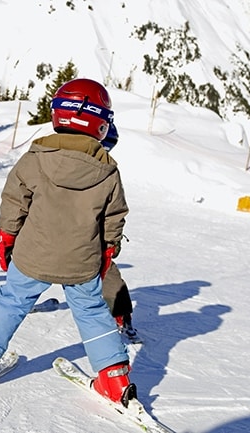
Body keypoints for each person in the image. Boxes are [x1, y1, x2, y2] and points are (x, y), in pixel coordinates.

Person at [0, 78, 136, 407]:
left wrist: (7, 238)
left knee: (10, 300)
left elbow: (14, 201)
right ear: (100, 123)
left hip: (33, 254)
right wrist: (108, 251)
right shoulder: (108, 172)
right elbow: (114, 218)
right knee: (93, 311)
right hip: (81, 263)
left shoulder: (36, 157)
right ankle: (114, 379)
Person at [100, 123, 140, 343]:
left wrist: (111, 242)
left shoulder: (108, 171)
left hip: (88, 239)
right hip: (65, 235)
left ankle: (121, 315)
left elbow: (114, 210)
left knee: (109, 275)